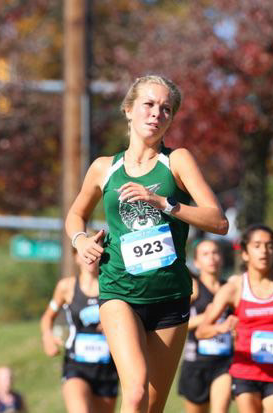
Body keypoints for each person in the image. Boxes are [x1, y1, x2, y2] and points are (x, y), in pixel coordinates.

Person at [65, 74, 229, 413]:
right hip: (119, 290)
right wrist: (80, 242)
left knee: (152, 406)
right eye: (149, 105)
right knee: (136, 391)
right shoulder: (104, 169)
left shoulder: (177, 161)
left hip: (170, 296)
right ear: (128, 110)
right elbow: (74, 216)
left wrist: (166, 205)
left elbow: (219, 221)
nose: (157, 113)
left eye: (166, 109)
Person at [196, 225, 273, 413]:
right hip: (245, 374)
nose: (264, 251)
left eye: (269, 246)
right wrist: (221, 328)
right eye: (257, 245)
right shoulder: (234, 288)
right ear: (245, 253)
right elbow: (202, 331)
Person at [40, 253, 118, 413]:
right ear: (75, 257)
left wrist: (113, 322)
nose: (91, 258)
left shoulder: (114, 287)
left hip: (107, 369)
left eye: (96, 254)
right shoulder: (66, 287)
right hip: (76, 366)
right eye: (86, 253)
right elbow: (47, 317)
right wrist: (47, 337)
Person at [178, 239, 233, 413]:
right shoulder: (193, 289)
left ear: (222, 258)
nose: (212, 258)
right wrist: (209, 317)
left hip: (225, 362)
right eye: (205, 254)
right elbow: (180, 324)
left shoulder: (231, 288)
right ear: (196, 262)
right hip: (196, 364)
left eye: (215, 253)